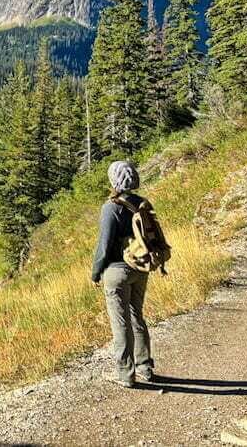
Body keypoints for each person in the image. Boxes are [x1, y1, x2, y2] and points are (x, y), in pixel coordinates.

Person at [91, 160, 154, 388]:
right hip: (141, 268)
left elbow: (104, 246)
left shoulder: (111, 207)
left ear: (114, 180)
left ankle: (126, 374)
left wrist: (96, 272)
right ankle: (145, 367)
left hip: (118, 270)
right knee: (137, 316)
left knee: (120, 323)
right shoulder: (142, 203)